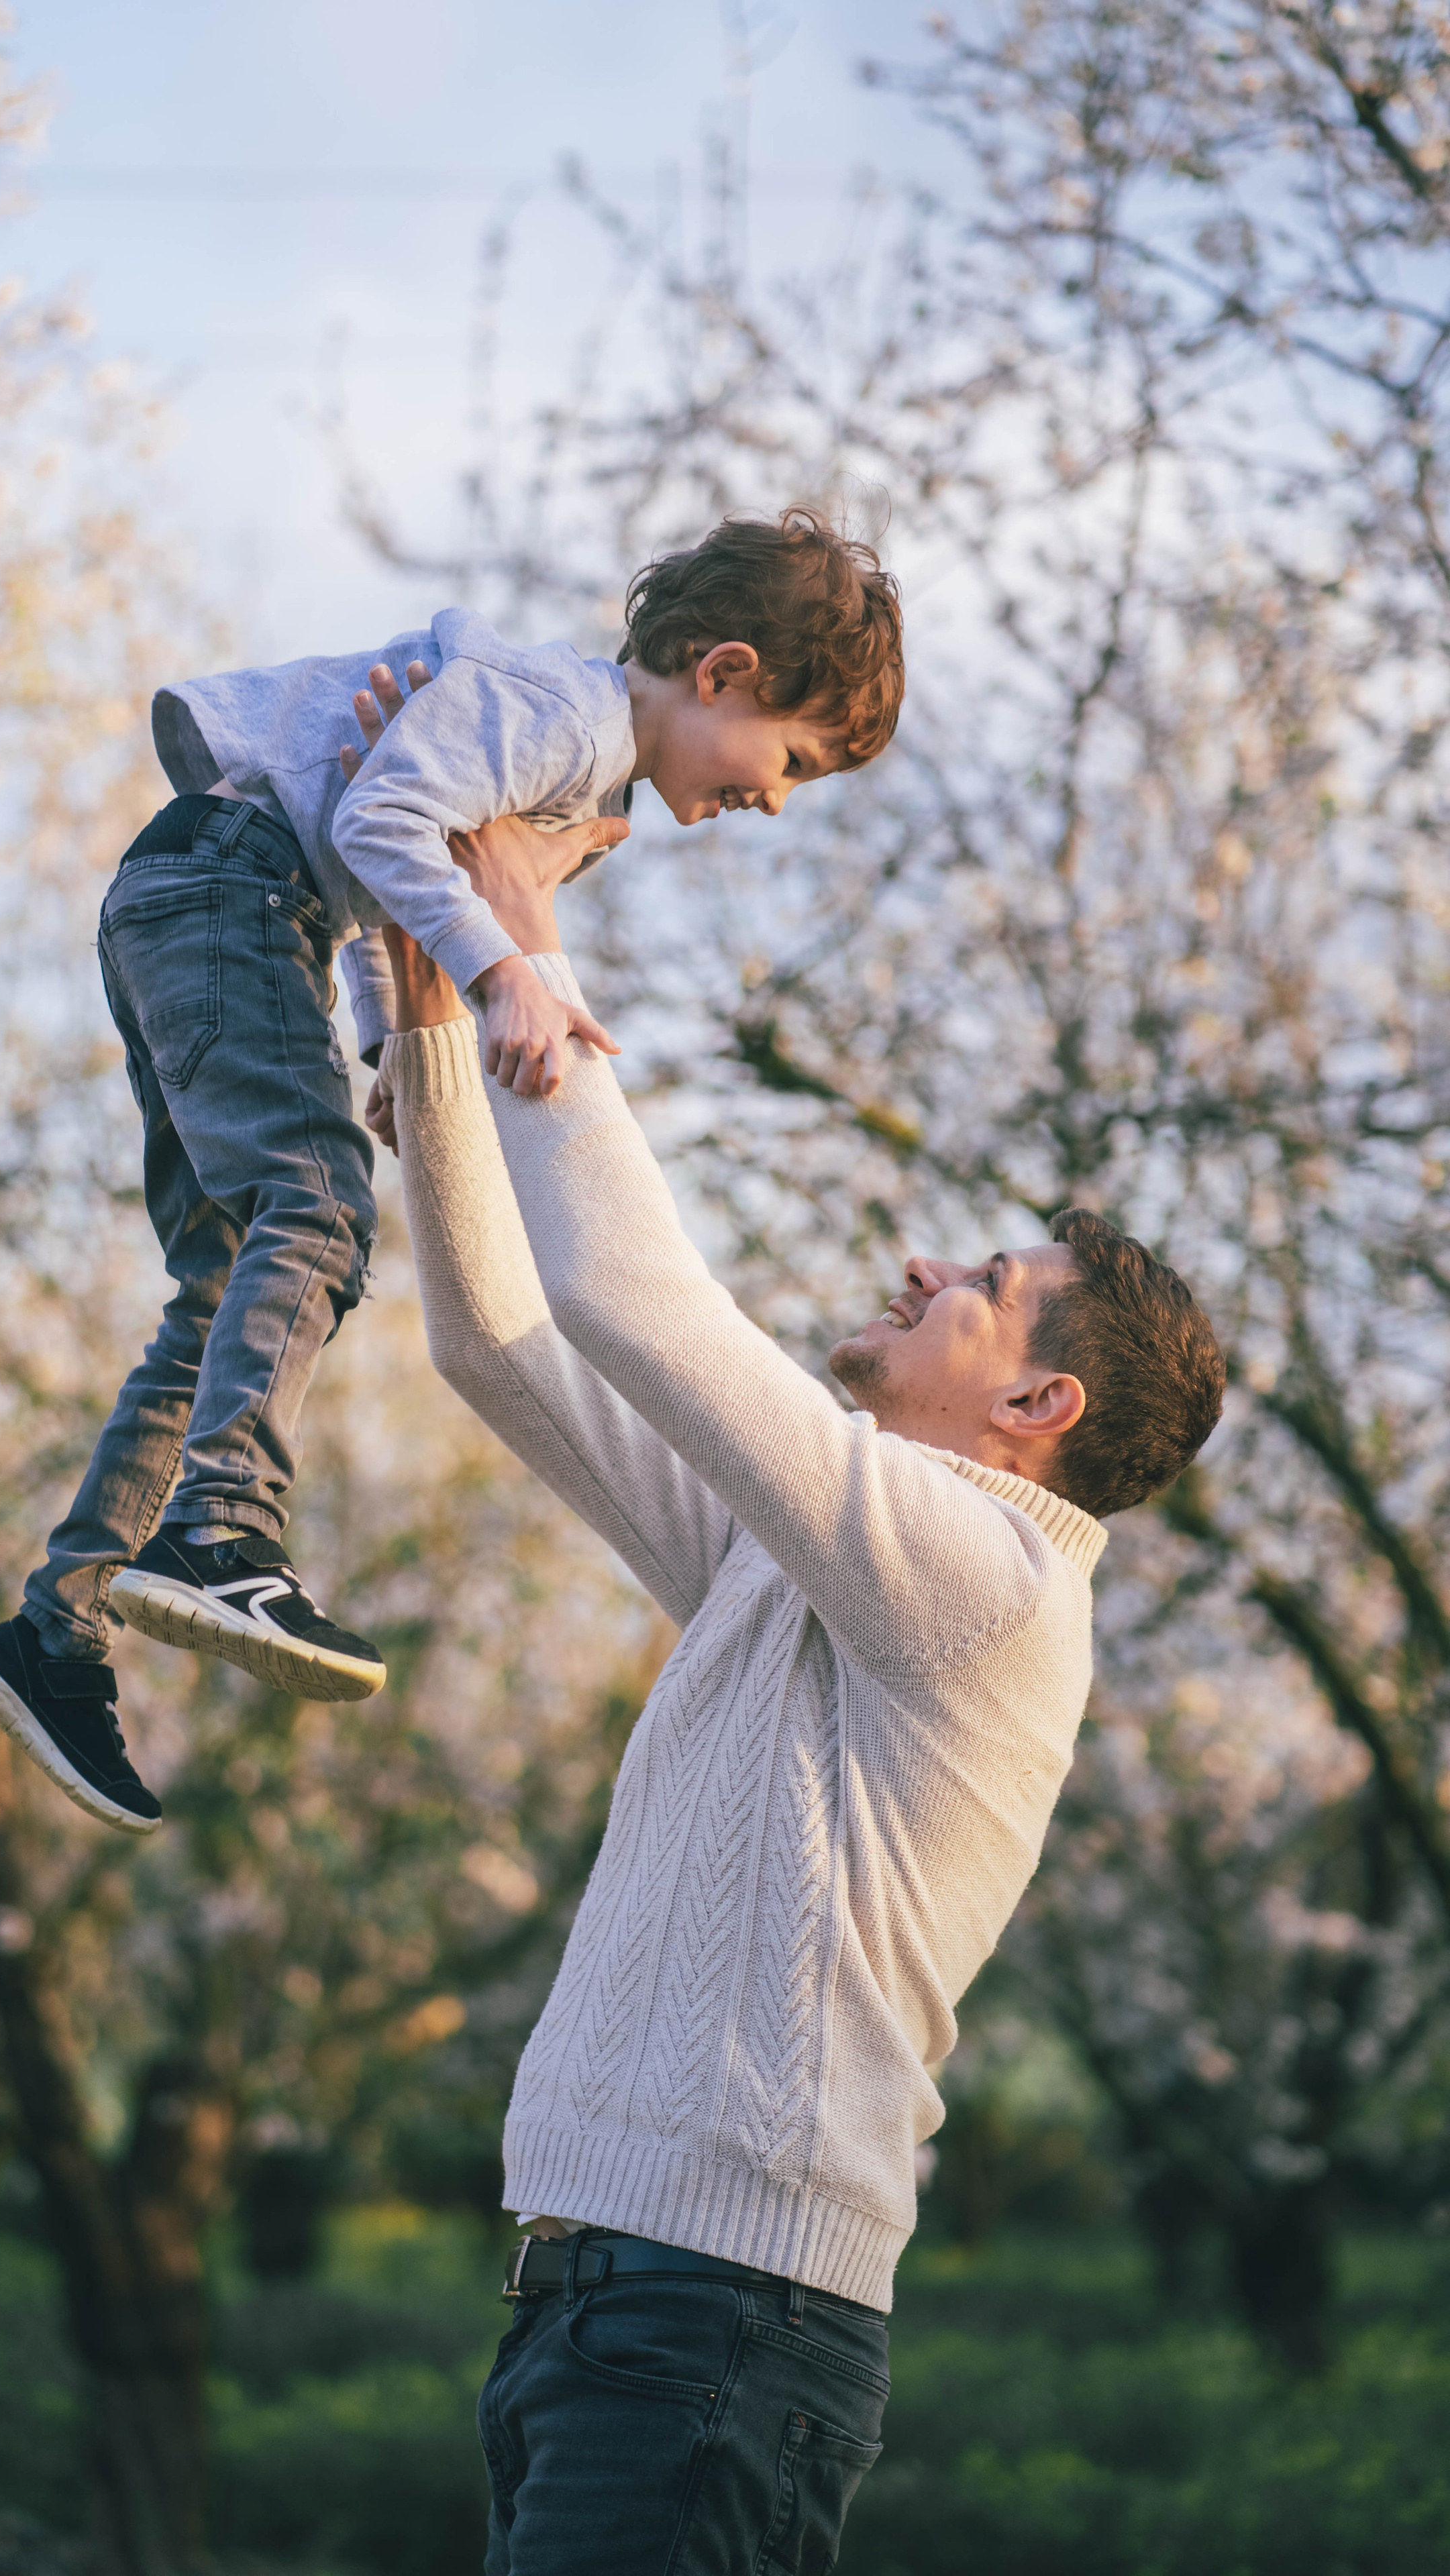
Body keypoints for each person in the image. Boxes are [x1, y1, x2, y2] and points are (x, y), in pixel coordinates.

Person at [351, 674, 1225, 2574]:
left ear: (1037, 1408)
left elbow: (646, 1308)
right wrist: (439, 1005)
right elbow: (504, 1345)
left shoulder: (983, 1584)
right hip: (611, 2312)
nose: (927, 1266)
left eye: (983, 1286)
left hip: (715, 2325)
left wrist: (533, 961)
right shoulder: (817, 1558)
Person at [0, 510, 907, 1833]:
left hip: (226, 896)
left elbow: (371, 847)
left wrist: (389, 1043)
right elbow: (383, 818)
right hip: (230, 892)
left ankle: (52, 1633)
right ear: (722, 672)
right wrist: (500, 971)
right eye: (788, 760)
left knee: (230, 1276)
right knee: (319, 1210)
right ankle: (221, 1531)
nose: (775, 799)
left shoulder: (572, 768)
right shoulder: (564, 720)